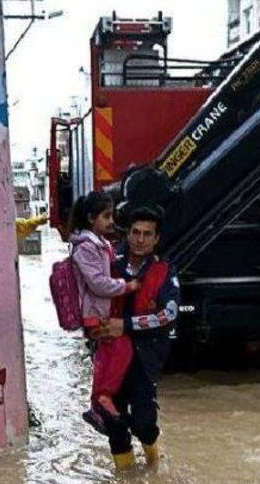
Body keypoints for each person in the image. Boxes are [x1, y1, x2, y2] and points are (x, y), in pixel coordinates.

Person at [94, 206, 180, 469]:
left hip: (145, 359)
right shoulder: (109, 266)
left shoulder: (165, 272)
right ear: (128, 234)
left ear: (156, 239)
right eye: (135, 232)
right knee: (114, 426)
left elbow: (169, 314)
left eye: (147, 234)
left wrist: (126, 325)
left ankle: (155, 465)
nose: (140, 239)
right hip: (110, 356)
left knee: (144, 423)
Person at [68, 192, 139, 429]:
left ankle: (97, 405)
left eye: (112, 215)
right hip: (94, 314)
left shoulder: (98, 244)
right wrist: (126, 286)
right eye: (106, 216)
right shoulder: (86, 248)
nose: (111, 221)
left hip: (100, 312)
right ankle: (103, 397)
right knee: (122, 349)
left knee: (104, 358)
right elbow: (97, 283)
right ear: (91, 218)